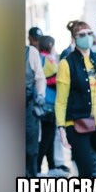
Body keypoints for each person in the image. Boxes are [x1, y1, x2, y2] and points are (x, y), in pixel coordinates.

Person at [55, 20, 96, 178]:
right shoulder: (66, 63)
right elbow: (61, 100)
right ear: (74, 39)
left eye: (89, 33)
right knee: (86, 173)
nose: (87, 37)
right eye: (82, 34)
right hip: (77, 124)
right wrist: (61, 129)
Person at [36, 35, 69, 176]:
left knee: (48, 137)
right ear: (50, 44)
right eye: (53, 45)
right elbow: (50, 79)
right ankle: (36, 168)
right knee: (46, 137)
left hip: (46, 104)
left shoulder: (40, 58)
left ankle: (51, 166)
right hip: (48, 104)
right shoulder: (46, 59)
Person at [25, 45, 47, 178]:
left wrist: (40, 95)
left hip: (27, 108)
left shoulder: (30, 52)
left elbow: (39, 78)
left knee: (30, 150)